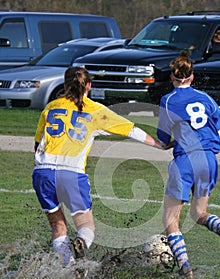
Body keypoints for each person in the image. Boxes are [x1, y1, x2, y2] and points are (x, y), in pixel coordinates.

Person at [32, 66, 162, 266]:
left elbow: (37, 143)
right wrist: (159, 145)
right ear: (89, 86)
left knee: (58, 225)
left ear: (65, 85)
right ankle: (82, 242)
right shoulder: (95, 110)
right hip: (71, 173)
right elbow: (131, 130)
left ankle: (66, 266)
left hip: (42, 172)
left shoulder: (50, 107)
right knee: (86, 224)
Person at [157, 51, 220, 279]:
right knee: (198, 213)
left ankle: (185, 268)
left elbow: (164, 139)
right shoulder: (207, 99)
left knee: (170, 220)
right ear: (192, 77)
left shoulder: (168, 100)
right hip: (209, 159)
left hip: (185, 160)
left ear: (173, 78)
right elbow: (219, 131)